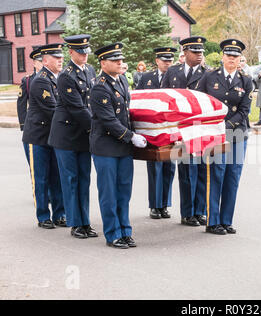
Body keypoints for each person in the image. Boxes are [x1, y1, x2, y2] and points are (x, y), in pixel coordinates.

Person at [90, 42, 148, 249]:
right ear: (103, 63)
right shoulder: (98, 86)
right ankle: (112, 233)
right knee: (109, 192)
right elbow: (108, 120)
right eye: (115, 60)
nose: (120, 63)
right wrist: (131, 136)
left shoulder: (122, 80)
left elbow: (125, 113)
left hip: (123, 147)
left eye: (120, 60)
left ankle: (125, 230)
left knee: (124, 191)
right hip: (106, 147)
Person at [196, 39, 252, 235]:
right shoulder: (210, 77)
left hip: (237, 134)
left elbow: (245, 110)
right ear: (223, 57)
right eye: (228, 55)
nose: (231, 59)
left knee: (232, 177)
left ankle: (226, 220)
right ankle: (213, 221)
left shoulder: (246, 80)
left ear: (239, 59)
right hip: (214, 135)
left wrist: (226, 125)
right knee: (216, 175)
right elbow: (200, 102)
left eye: (235, 56)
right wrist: (215, 126)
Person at [47, 34, 98, 239]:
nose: (84, 56)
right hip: (66, 135)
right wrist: (98, 128)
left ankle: (85, 221)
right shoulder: (66, 75)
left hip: (84, 134)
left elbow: (91, 102)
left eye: (86, 52)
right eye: (80, 52)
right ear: (71, 52)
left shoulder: (90, 70)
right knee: (70, 179)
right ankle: (75, 223)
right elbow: (77, 108)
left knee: (84, 179)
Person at [161, 36, 208, 227]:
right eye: (195, 52)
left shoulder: (208, 73)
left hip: (200, 128)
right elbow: (164, 95)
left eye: (201, 52)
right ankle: (187, 212)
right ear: (185, 53)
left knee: (201, 170)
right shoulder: (173, 72)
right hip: (179, 128)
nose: (199, 55)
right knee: (186, 171)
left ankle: (200, 211)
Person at [22, 43, 66, 229]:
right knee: (41, 178)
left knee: (57, 177)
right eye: (56, 58)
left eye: (61, 57)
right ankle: (43, 216)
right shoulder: (41, 80)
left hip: (53, 136)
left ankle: (59, 214)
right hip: (38, 137)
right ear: (45, 60)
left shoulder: (59, 78)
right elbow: (53, 109)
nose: (60, 60)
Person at [135, 47, 178, 220]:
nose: (167, 63)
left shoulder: (177, 77)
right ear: (157, 61)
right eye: (164, 60)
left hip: (171, 129)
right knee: (155, 169)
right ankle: (154, 205)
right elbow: (138, 99)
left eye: (170, 60)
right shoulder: (146, 78)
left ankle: (164, 205)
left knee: (169, 168)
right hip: (152, 130)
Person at [17, 47, 43, 164]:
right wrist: (23, 124)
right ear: (34, 63)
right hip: (34, 124)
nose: (43, 63)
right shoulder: (27, 80)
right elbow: (21, 104)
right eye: (40, 61)